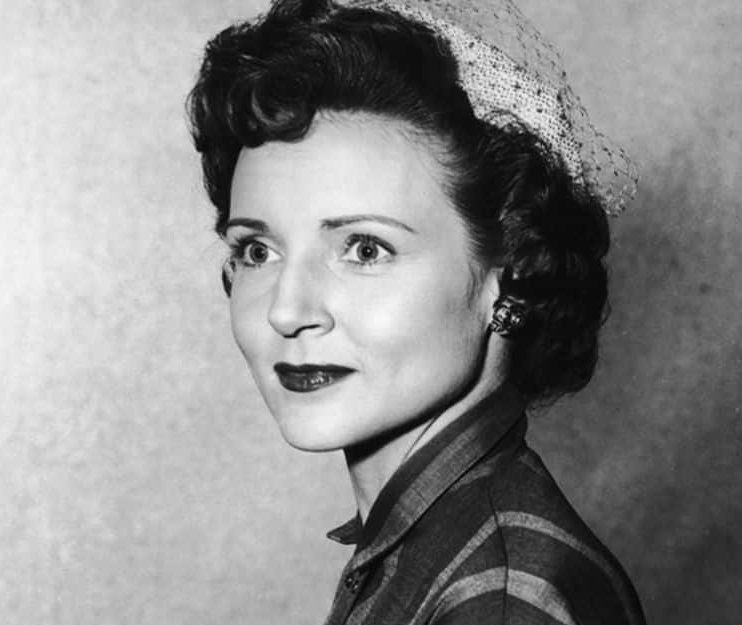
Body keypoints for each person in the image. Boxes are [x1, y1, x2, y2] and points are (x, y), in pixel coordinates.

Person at [187, 0, 646, 623]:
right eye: (257, 249)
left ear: (507, 274)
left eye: (365, 249)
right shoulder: (439, 546)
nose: (286, 311)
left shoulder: (501, 598)